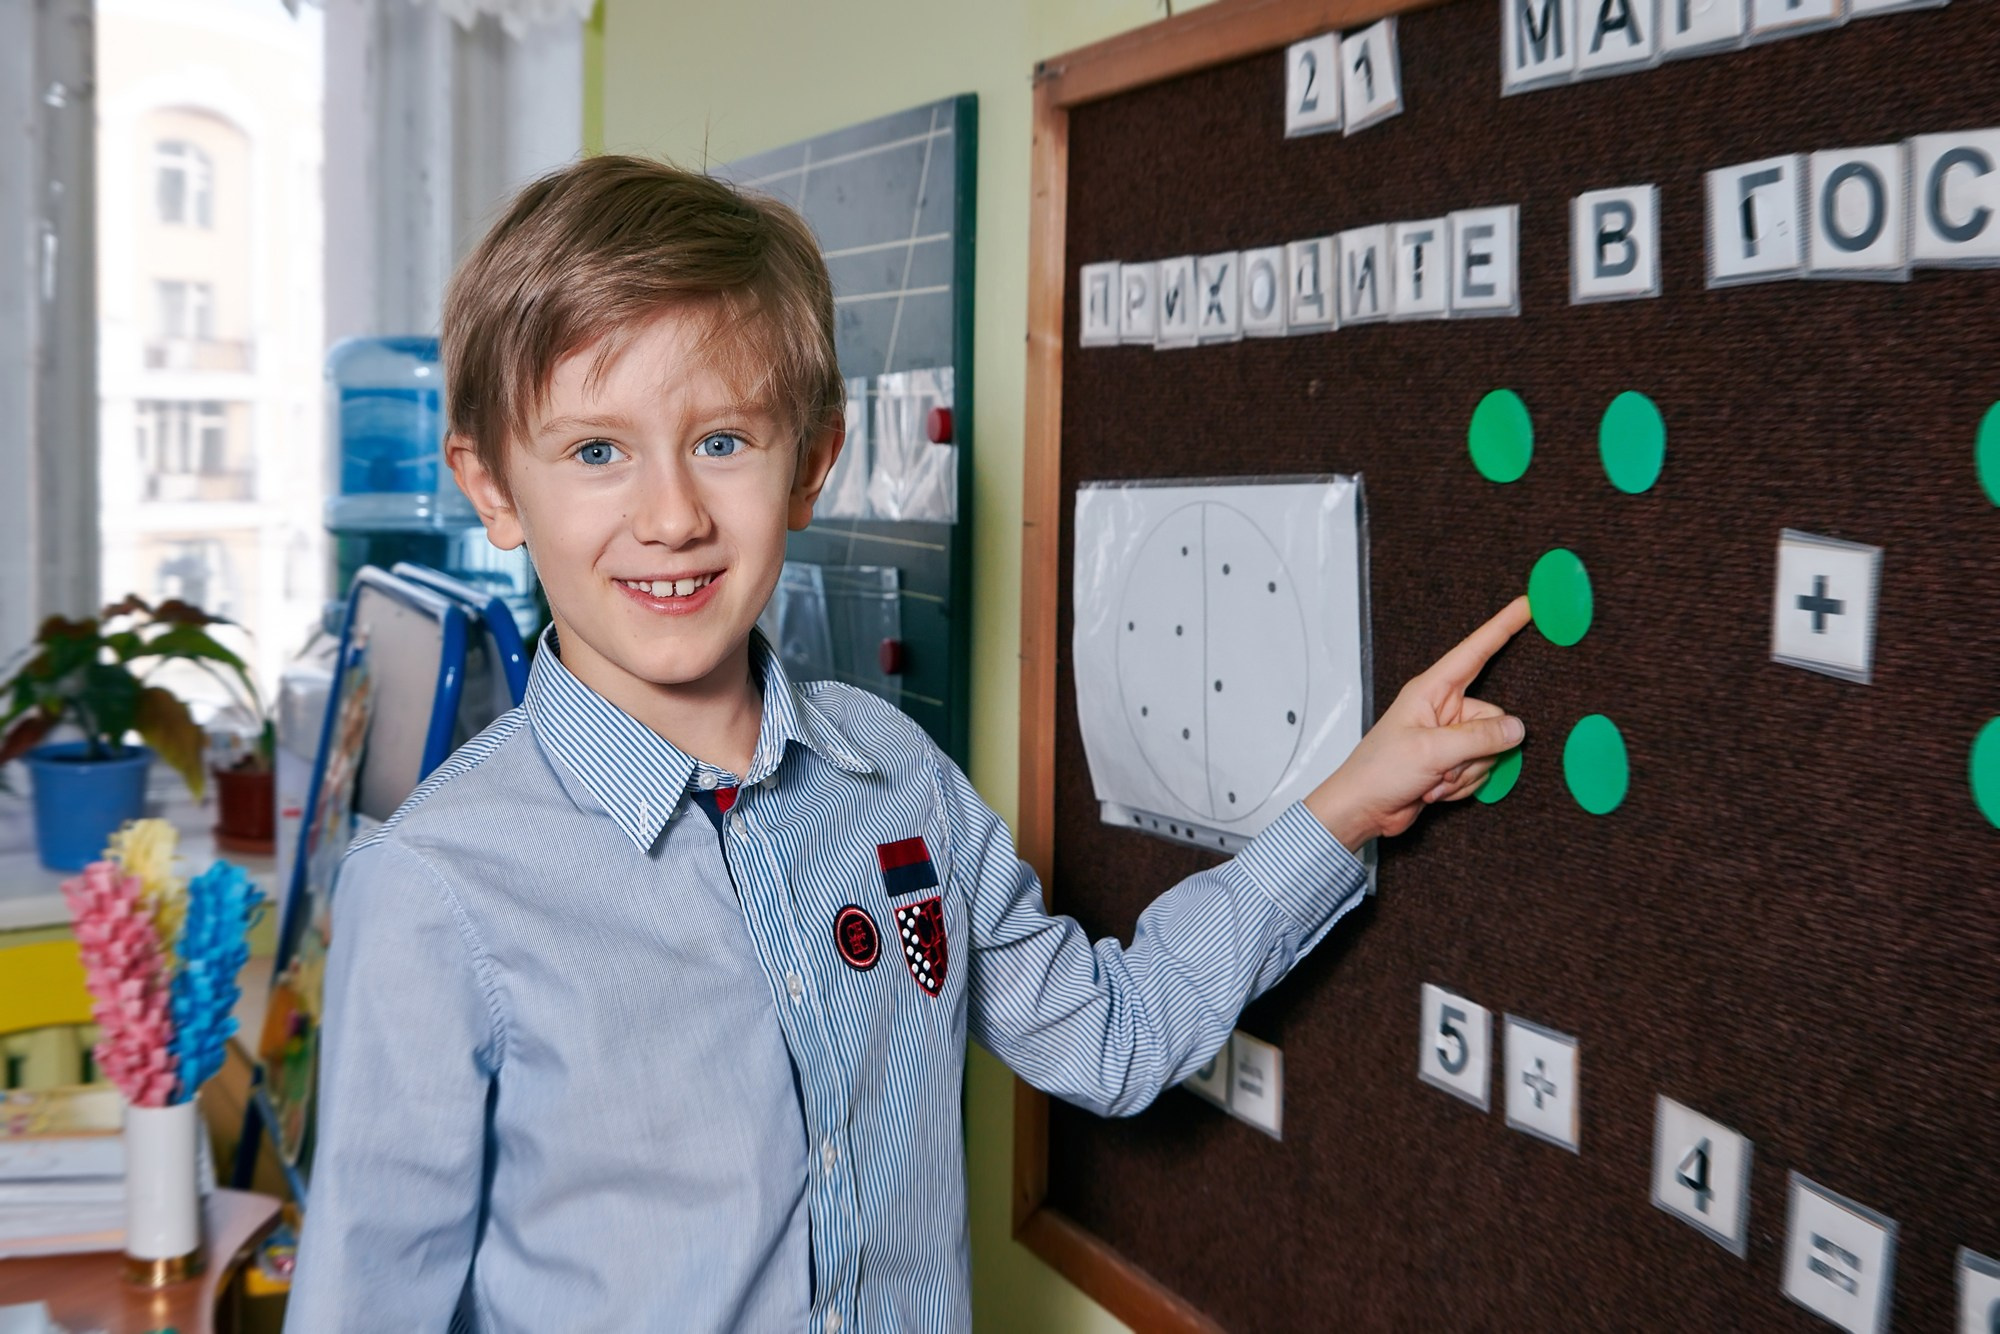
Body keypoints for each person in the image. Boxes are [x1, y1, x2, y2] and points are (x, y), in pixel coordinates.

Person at [285, 155, 1530, 1332]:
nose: (669, 515)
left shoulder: (893, 781)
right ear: (492, 487)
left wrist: (1346, 804)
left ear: (811, 463)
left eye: (722, 441)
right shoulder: (437, 892)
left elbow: (1108, 1034)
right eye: (595, 451)